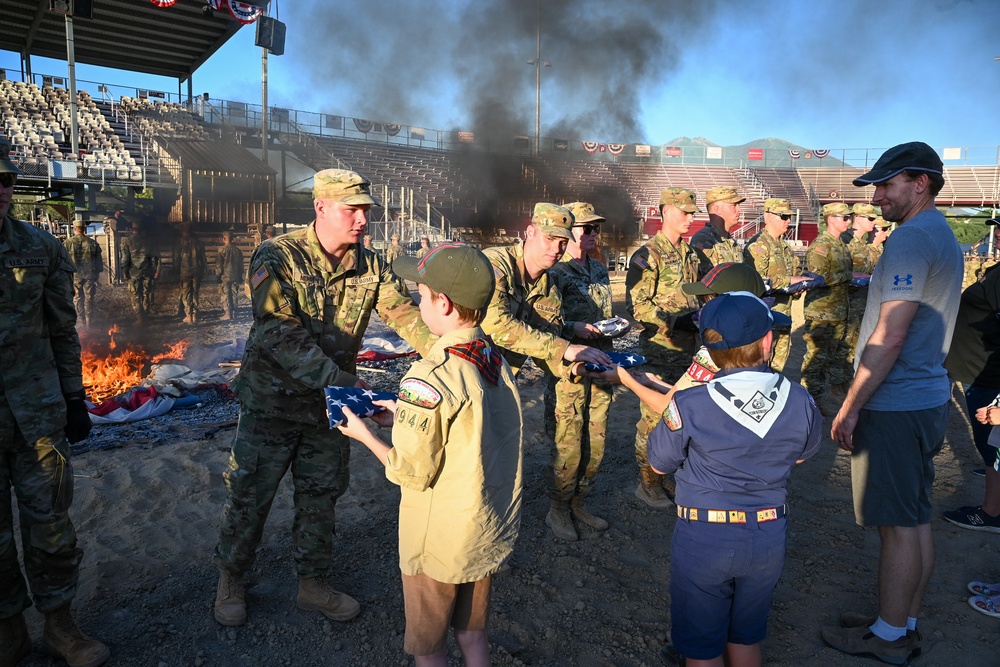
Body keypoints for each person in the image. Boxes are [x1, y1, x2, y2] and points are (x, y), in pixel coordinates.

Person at [212, 168, 435, 628]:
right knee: (250, 496)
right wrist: (350, 386)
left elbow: (406, 317)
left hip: (327, 410)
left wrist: (450, 354)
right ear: (320, 207)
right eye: (351, 210)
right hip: (271, 405)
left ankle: (313, 583)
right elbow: (280, 333)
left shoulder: (370, 264)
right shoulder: (277, 256)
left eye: (366, 212)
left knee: (321, 497)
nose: (361, 221)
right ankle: (232, 577)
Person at [337, 243, 522, 667]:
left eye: (420, 295)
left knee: (429, 647)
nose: (418, 301)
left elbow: (411, 472)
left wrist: (365, 435)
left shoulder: (429, 375)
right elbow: (472, 426)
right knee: (473, 635)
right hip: (483, 529)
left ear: (443, 302)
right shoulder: (494, 360)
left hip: (439, 542)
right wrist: (404, 414)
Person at [823, 142, 963, 664]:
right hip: (925, 396)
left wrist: (851, 404)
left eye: (887, 184)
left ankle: (887, 637)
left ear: (920, 183)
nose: (877, 195)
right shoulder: (939, 234)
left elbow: (890, 333)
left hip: (898, 402)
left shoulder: (910, 241)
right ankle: (901, 618)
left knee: (897, 525)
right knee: (915, 516)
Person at [641, 292, 821, 667]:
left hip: (705, 538)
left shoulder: (689, 404)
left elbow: (658, 465)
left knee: (702, 652)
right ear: (768, 341)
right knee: (744, 639)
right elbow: (802, 455)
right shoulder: (801, 399)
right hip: (769, 535)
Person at [0, 137, 110, 667]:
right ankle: (8, 630)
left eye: (4, 181)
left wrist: (74, 398)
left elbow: (63, 331)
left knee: (51, 527)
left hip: (36, 416)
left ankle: (62, 625)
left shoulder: (40, 248)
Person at [626, 187, 701, 508]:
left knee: (682, 416)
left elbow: (700, 292)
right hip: (659, 349)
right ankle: (647, 483)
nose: (690, 217)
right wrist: (672, 320)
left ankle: (666, 474)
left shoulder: (692, 254)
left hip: (689, 350)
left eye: (692, 212)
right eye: (684, 211)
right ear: (666, 211)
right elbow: (636, 305)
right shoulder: (648, 255)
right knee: (654, 418)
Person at [544, 202, 615, 541]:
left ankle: (578, 501)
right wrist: (577, 327)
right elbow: (544, 324)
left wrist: (616, 327)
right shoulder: (555, 272)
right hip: (569, 369)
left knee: (596, 442)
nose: (591, 234)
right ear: (568, 230)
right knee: (568, 444)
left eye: (595, 229)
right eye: (585, 228)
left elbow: (605, 314)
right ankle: (557, 509)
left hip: (601, 365)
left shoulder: (600, 270)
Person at [480, 202, 611, 380]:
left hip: (500, 377)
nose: (556, 249)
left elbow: (545, 343)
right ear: (530, 232)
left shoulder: (550, 289)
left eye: (563, 242)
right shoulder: (495, 264)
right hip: (456, 372)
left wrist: (578, 369)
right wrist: (564, 348)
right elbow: (496, 325)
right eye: (550, 238)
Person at [941, 261, 1000, 532]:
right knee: (990, 445)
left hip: (987, 374)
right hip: (977, 369)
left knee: (993, 445)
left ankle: (991, 512)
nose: (998, 234)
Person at [743, 198, 807, 374]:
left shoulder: (784, 246)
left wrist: (798, 286)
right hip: (765, 315)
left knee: (778, 366)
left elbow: (793, 273)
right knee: (760, 365)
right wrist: (790, 281)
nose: (788, 221)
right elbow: (758, 280)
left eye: (789, 217)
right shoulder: (759, 245)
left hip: (783, 313)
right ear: (769, 216)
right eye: (784, 216)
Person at [800, 202, 854, 412]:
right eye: (844, 217)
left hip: (838, 310)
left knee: (830, 356)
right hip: (822, 312)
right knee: (815, 358)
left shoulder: (840, 245)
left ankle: (819, 400)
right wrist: (850, 276)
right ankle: (808, 402)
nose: (847, 221)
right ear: (830, 219)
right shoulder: (821, 245)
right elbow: (818, 278)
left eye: (848, 217)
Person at [844, 203, 878, 364]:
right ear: (857, 218)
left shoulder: (863, 244)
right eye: (870, 218)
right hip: (847, 305)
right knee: (843, 348)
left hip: (861, 305)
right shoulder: (845, 241)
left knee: (855, 348)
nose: (874, 222)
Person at [691, 185, 745, 276]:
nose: (739, 210)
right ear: (717, 209)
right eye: (734, 205)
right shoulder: (703, 240)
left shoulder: (731, 242)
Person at [118, 215, 160, 326]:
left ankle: (140, 318)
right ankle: (146, 317)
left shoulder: (126, 241)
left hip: (133, 273)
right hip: (147, 272)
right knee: (146, 294)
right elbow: (153, 258)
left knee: (136, 295)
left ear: (132, 229)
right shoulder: (149, 241)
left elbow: (125, 258)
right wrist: (154, 271)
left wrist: (124, 271)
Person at [63, 219, 103, 328]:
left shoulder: (67, 243)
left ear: (74, 228)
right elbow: (99, 263)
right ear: (84, 228)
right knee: (89, 298)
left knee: (77, 298)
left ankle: (80, 322)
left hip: (74, 276)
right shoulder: (92, 243)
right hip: (89, 275)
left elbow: (62, 261)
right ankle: (89, 322)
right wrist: (97, 273)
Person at [173, 223, 207, 324]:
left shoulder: (178, 243)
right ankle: (195, 314)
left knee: (186, 293)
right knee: (195, 293)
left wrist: (176, 272)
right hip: (197, 270)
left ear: (182, 230)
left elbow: (176, 259)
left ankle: (188, 315)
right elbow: (203, 259)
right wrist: (204, 270)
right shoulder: (199, 243)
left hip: (184, 272)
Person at [216, 230, 244, 321]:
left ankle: (228, 313)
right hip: (235, 275)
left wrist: (218, 275)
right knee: (235, 293)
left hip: (225, 276)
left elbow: (219, 265)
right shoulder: (237, 250)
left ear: (223, 239)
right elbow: (241, 265)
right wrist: (240, 275)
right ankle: (235, 312)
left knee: (226, 294)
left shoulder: (221, 250)